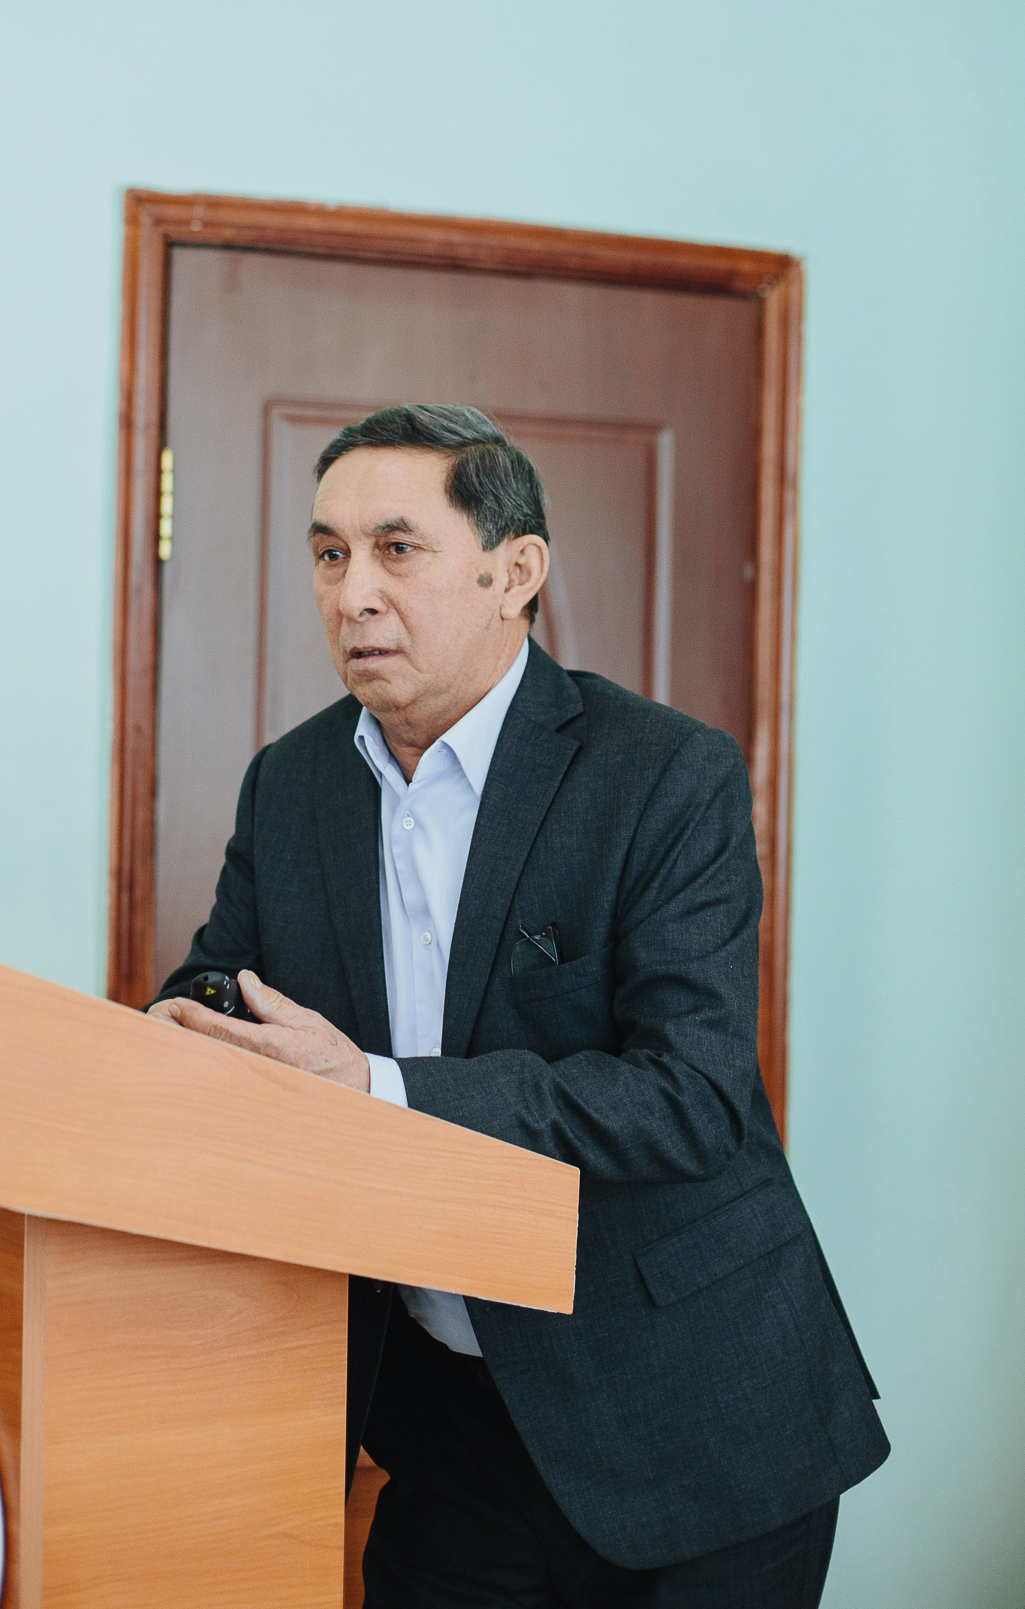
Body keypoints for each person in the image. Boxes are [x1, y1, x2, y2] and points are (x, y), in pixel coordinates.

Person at [149, 404, 888, 1608]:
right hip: (447, 1426)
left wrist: (376, 1085)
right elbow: (220, 980)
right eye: (329, 552)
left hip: (689, 1418)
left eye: (397, 548)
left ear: (515, 571)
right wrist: (171, 1032)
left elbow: (691, 1096)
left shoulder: (662, 772)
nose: (352, 592)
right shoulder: (290, 783)